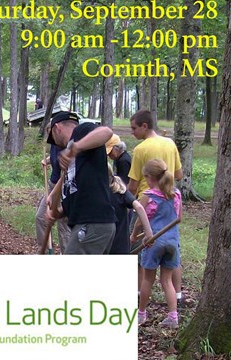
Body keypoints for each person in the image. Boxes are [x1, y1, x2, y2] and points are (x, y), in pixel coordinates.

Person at [127, 109, 184, 303]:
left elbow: (133, 184)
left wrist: (126, 202)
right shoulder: (170, 144)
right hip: (170, 203)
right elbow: (178, 175)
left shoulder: (141, 149)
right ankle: (177, 295)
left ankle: (138, 293)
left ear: (145, 126)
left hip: (147, 204)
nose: (132, 132)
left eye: (134, 128)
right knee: (173, 249)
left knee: (140, 249)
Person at [44, 111, 116, 254]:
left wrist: (76, 147)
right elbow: (73, 200)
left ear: (57, 128)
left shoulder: (80, 132)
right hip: (89, 224)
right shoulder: (70, 166)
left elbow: (106, 132)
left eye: (53, 139)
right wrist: (55, 213)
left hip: (92, 222)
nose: (56, 145)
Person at [135, 159, 182, 329]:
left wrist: (133, 235)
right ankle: (173, 316)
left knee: (148, 279)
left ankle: (141, 314)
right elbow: (178, 217)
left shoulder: (149, 195)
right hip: (172, 241)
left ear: (149, 177)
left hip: (153, 241)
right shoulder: (176, 193)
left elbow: (140, 221)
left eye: (145, 177)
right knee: (167, 280)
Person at [35, 141, 71, 254]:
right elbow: (55, 156)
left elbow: (66, 171)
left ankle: (67, 254)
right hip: (52, 184)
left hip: (64, 187)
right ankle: (44, 252)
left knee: (63, 225)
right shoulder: (54, 144)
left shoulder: (66, 143)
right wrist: (47, 160)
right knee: (40, 217)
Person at [107, 165, 153, 254]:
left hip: (105, 247)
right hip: (122, 246)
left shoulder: (100, 195)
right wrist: (148, 232)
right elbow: (139, 207)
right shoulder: (121, 191)